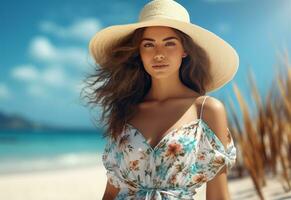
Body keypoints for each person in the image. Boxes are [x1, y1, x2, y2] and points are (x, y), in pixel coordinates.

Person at [86, 0, 239, 199]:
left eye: (169, 43)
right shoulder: (125, 110)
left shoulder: (206, 110)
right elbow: (111, 192)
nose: (159, 54)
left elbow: (219, 196)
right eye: (148, 44)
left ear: (185, 50)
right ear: (139, 53)